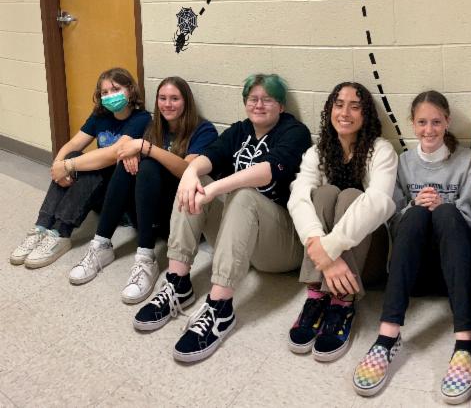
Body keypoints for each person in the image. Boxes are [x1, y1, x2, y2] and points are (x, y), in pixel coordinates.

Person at [133, 73, 311, 363]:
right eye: (253, 99)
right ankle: (178, 283)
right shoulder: (240, 131)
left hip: (280, 245)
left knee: (243, 194)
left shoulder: (295, 132)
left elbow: (267, 171)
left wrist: (215, 188)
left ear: (281, 106)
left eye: (268, 100)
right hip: (238, 238)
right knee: (196, 181)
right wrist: (191, 173)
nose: (259, 105)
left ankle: (220, 308)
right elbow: (211, 155)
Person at [352, 91, 471, 402]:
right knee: (416, 213)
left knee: (446, 212)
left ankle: (466, 342)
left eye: (436, 122)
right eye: (422, 122)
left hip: (455, 273)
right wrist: (415, 205)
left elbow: (470, 217)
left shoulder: (467, 160)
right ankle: (387, 337)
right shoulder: (403, 163)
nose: (429, 130)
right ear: (412, 124)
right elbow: (392, 219)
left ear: (447, 122)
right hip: (412, 275)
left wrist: (442, 204)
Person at [68, 77, 217, 304]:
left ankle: (146, 258)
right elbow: (133, 152)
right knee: (128, 164)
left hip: (178, 217)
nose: (167, 104)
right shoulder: (154, 127)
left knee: (147, 165)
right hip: (146, 213)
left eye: (174, 99)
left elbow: (188, 171)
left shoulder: (203, 130)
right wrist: (134, 153)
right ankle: (101, 244)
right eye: (162, 98)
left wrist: (145, 148)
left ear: (186, 101)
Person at [287, 83, 398, 362]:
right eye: (339, 105)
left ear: (366, 114)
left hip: (369, 257)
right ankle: (316, 296)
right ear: (330, 110)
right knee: (323, 194)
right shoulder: (317, 152)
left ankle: (342, 303)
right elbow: (298, 198)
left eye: (355, 106)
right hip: (323, 261)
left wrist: (329, 249)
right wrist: (323, 253)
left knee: (351, 196)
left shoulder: (381, 150)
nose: (345, 112)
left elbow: (379, 202)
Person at [10, 68, 150, 269]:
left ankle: (60, 233)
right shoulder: (100, 116)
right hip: (98, 194)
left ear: (130, 89)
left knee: (96, 165)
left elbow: (114, 153)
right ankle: (41, 227)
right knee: (73, 155)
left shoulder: (141, 118)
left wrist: (68, 166)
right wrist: (58, 167)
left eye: (116, 89)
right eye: (105, 92)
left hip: (121, 201)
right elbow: (73, 145)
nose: (110, 96)